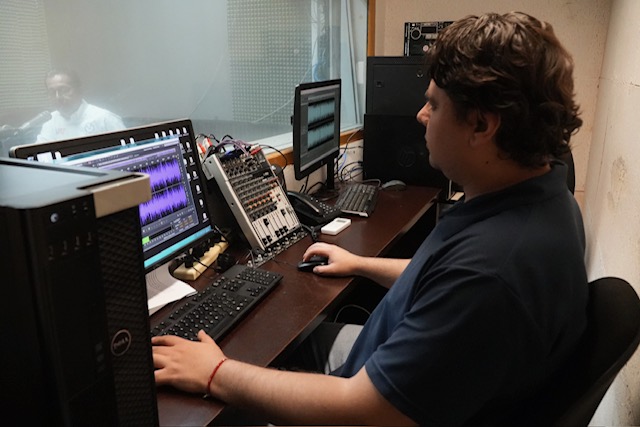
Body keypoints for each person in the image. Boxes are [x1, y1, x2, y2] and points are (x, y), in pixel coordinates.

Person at [152, 11, 588, 426]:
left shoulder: (490, 273)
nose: (420, 115)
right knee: (277, 349)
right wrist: (360, 264)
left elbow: (365, 411)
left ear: (481, 125)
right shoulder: (543, 199)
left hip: (368, 403)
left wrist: (215, 374)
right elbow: (441, 276)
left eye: (434, 105)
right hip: (403, 366)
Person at [35, 68, 125, 143]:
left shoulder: (104, 118)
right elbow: (41, 155)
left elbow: (128, 150)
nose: (57, 97)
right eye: (52, 92)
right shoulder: (50, 122)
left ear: (79, 90)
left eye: (63, 90)